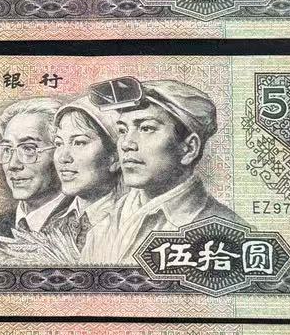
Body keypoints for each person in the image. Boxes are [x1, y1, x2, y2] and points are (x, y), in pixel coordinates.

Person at [83, 75, 252, 253]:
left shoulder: (229, 233)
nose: (126, 144)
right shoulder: (105, 222)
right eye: (122, 130)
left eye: (146, 128)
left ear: (189, 148)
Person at [0, 97, 76, 256]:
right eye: (7, 149)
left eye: (29, 149)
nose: (13, 165)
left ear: (59, 152)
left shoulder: (84, 228)